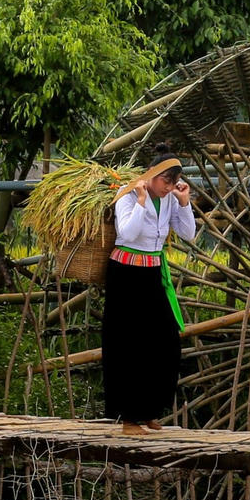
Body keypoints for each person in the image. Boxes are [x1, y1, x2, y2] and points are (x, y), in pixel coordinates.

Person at [103, 144, 196, 435]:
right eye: (165, 181)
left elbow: (188, 233)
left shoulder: (169, 199)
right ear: (152, 175)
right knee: (129, 345)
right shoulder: (128, 195)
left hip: (153, 273)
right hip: (126, 275)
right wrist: (142, 201)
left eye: (173, 183)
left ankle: (149, 411)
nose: (168, 188)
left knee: (165, 342)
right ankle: (129, 419)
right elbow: (128, 234)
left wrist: (184, 203)